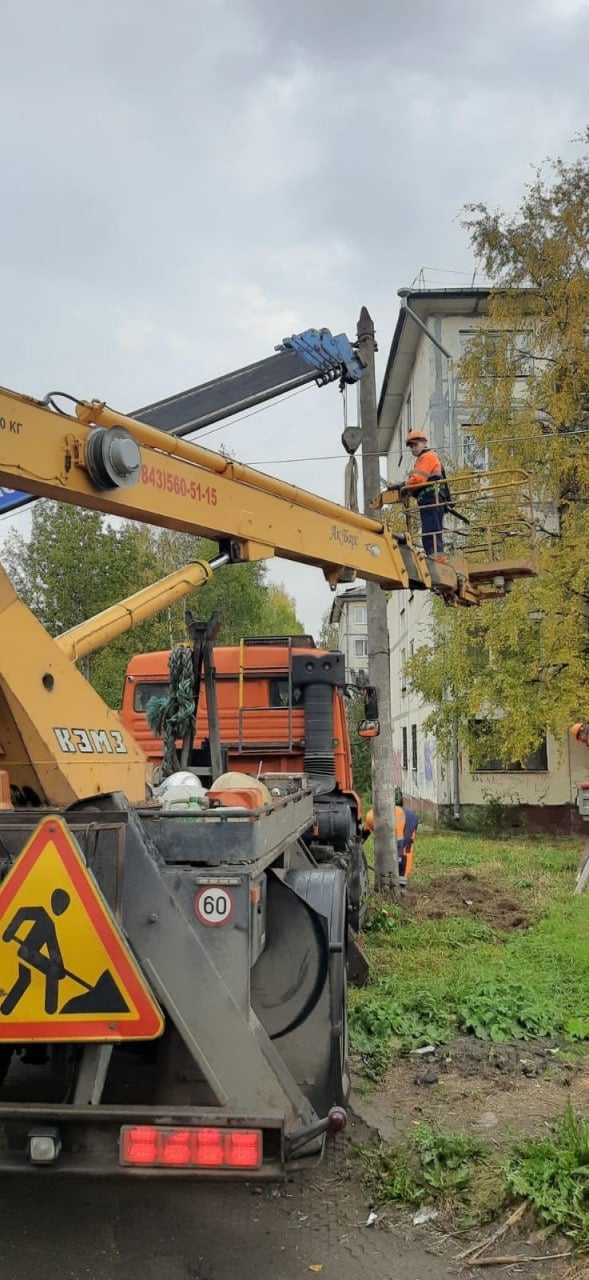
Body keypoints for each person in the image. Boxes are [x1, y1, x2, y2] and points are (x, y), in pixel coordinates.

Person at [403, 430, 447, 561]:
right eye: (411, 446)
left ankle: (437, 560)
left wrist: (404, 485)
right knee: (430, 531)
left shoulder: (427, 457)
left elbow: (418, 479)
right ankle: (435, 557)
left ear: (424, 443)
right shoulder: (423, 459)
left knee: (431, 532)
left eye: (415, 444)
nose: (413, 448)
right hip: (429, 499)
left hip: (431, 499)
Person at [362, 789, 418, 887]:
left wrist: (398, 861)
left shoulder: (397, 820)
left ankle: (401, 881)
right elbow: (364, 833)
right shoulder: (370, 817)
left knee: (405, 850)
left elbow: (400, 844)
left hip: (408, 820)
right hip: (393, 820)